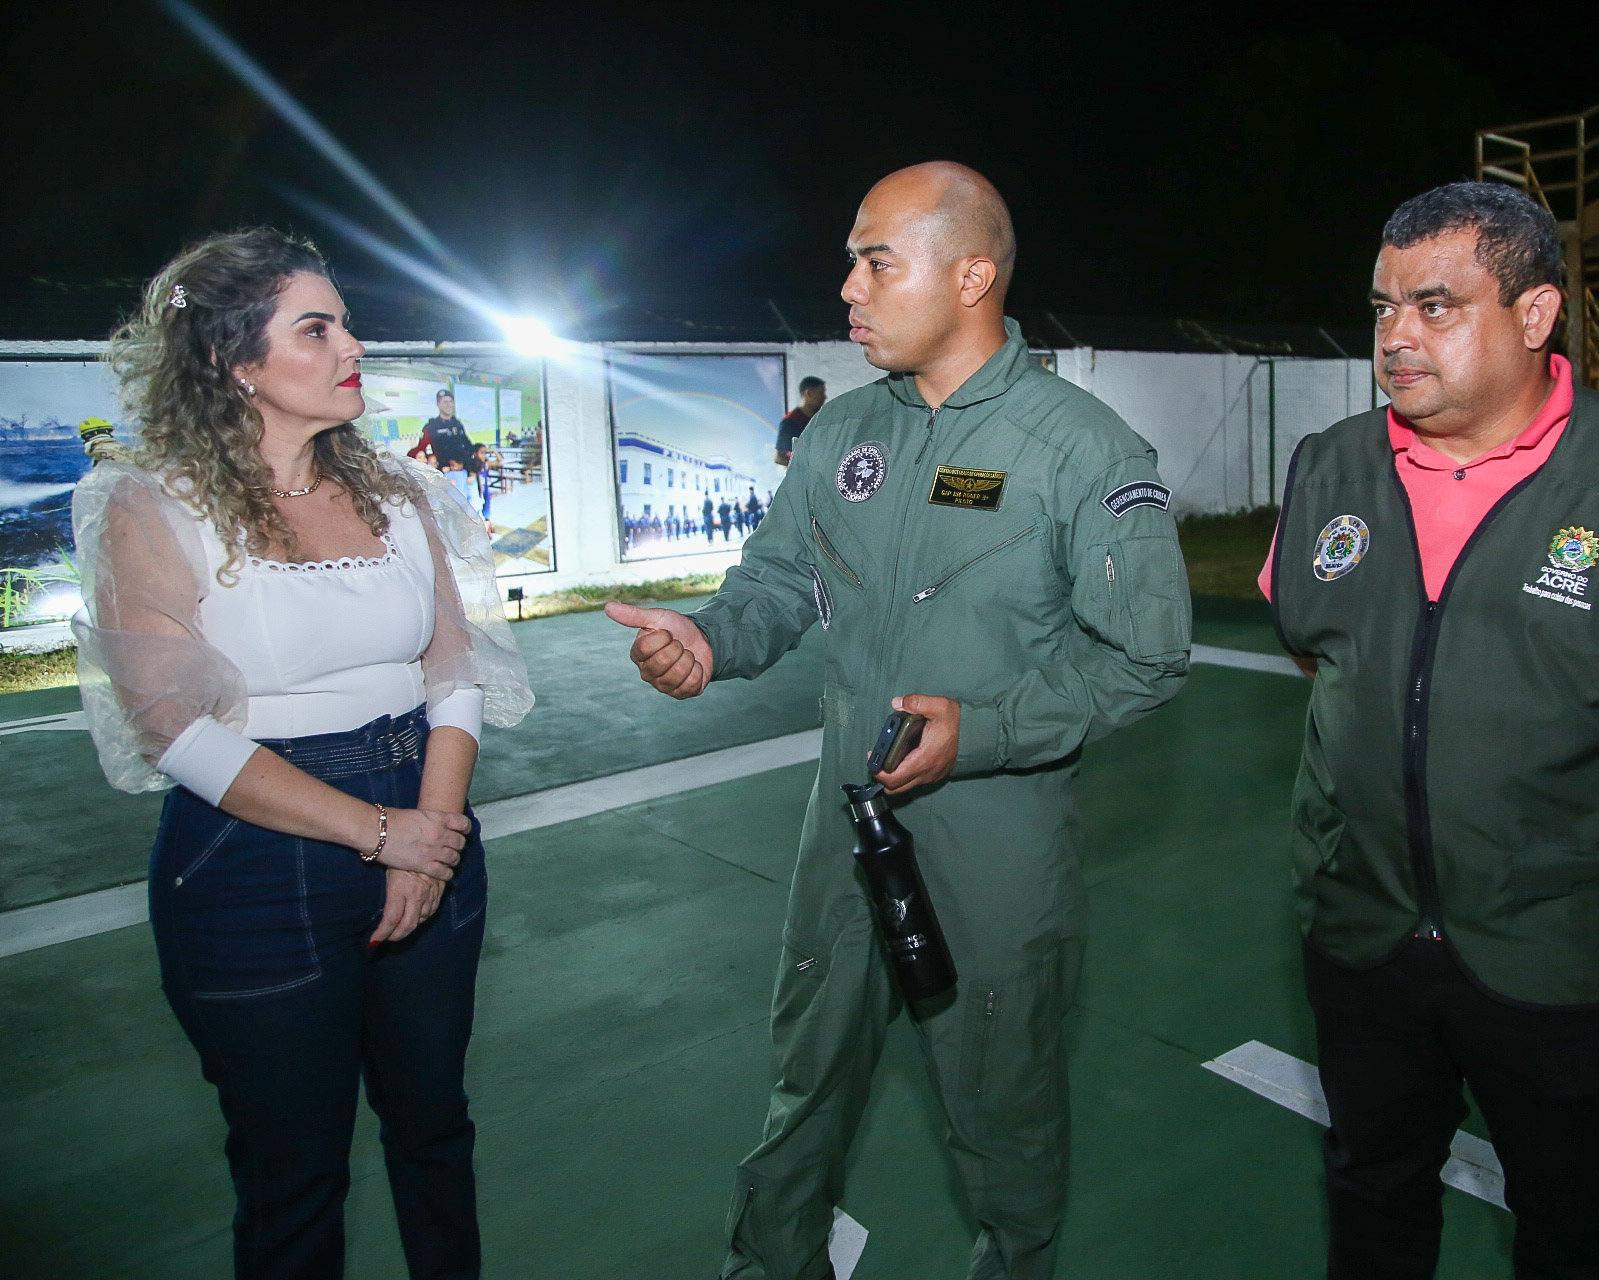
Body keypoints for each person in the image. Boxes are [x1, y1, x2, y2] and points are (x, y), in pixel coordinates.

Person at [608, 161, 1191, 1280]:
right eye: (852, 258)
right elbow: (779, 581)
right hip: (845, 826)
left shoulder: (1082, 450)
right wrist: (713, 638)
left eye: (877, 259)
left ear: (972, 274)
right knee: (805, 1076)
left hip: (995, 840)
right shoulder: (842, 436)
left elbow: (1147, 655)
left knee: (1000, 1103)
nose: (848, 287)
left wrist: (984, 731)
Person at [1261, 182, 1599, 1279]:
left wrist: (1595, 765)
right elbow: (1323, 646)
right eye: (1380, 308)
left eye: (1435, 304)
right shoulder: (1330, 464)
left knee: (1571, 1215)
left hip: (1567, 947)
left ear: (1536, 314)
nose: (1395, 338)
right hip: (1362, 928)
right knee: (1371, 1186)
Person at [71, 229, 533, 1280]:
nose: (350, 344)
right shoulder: (151, 506)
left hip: (428, 806)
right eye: (315, 327)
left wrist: (432, 833)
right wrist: (386, 836)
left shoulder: (399, 496)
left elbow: (452, 671)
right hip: (252, 853)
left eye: (345, 321)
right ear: (237, 362)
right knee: (292, 1171)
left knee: (435, 1129)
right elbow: (172, 730)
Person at [775, 376, 825, 466]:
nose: (824, 397)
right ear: (809, 393)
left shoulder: (820, 419)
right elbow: (780, 458)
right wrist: (808, 467)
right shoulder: (790, 422)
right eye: (820, 393)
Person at [424, 390, 476, 475]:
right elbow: (422, 449)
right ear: (438, 404)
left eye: (451, 402)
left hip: (462, 470)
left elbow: (468, 445)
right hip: (443, 471)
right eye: (445, 402)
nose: (449, 405)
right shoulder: (432, 426)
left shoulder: (458, 424)